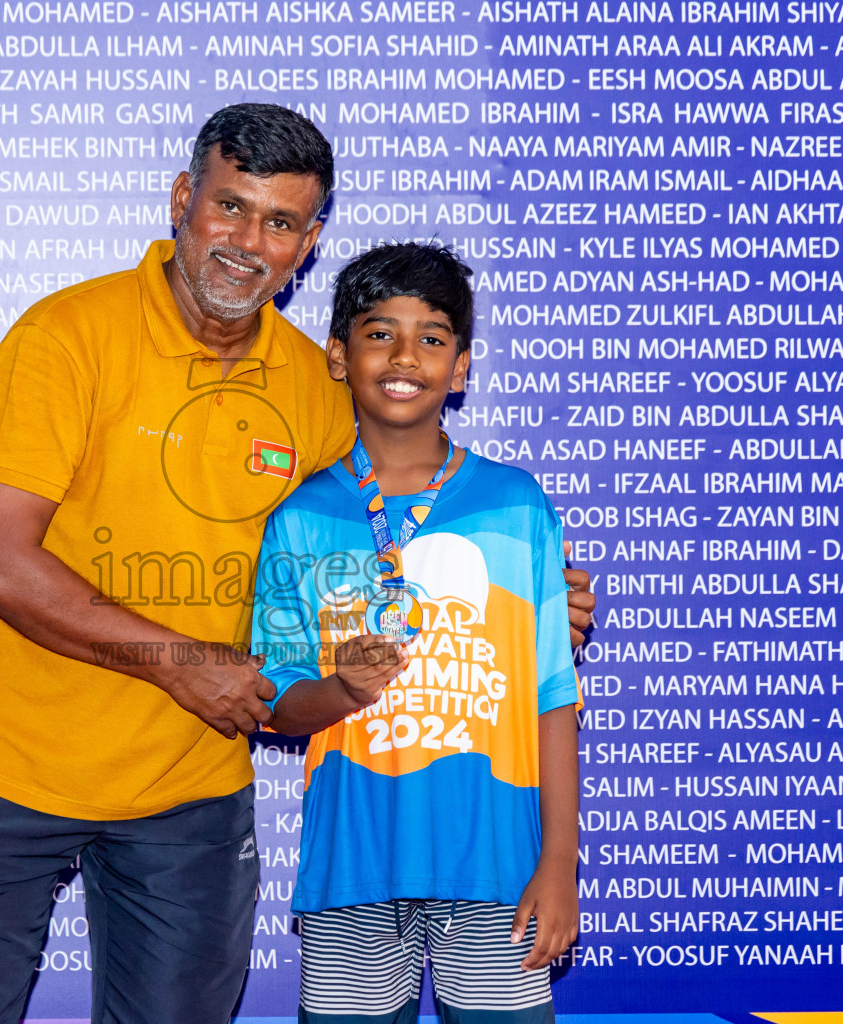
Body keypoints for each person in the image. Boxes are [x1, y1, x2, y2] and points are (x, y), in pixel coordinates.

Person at [0, 104, 595, 1024]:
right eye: (230, 208)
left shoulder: (318, 381)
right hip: (10, 763)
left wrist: (529, 599)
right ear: (184, 199)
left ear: (308, 241)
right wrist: (183, 661)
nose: (247, 242)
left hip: (192, 787)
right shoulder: (66, 336)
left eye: (280, 222)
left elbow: (382, 527)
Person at [253, 242, 579, 1024]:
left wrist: (560, 862)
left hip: (498, 865)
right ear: (338, 355)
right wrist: (339, 690)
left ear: (461, 367)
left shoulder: (515, 504)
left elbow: (552, 695)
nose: (405, 356)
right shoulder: (301, 515)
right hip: (353, 866)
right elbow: (274, 700)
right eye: (379, 332)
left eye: (432, 338)